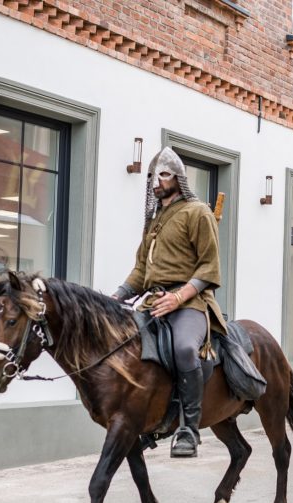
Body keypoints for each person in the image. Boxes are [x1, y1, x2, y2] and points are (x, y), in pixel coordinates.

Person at [111, 147, 226, 458]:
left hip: (190, 303)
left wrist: (177, 297)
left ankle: (188, 429)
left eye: (164, 175)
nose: (156, 182)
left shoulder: (197, 212)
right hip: (152, 301)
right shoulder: (154, 220)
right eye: (153, 176)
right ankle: (148, 422)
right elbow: (141, 270)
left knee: (184, 349)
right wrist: (118, 295)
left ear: (179, 178)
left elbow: (209, 266)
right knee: (125, 348)